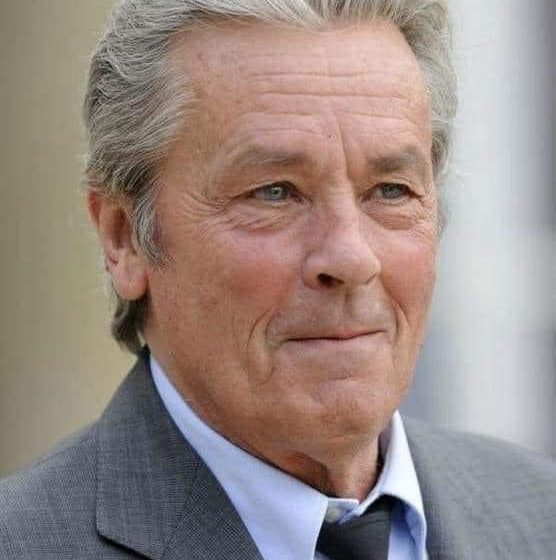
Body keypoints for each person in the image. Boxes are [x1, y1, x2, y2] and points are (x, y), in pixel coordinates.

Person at [1, 1, 555, 559]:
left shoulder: (542, 516)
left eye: (391, 190)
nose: (351, 257)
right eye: (274, 193)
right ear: (124, 238)